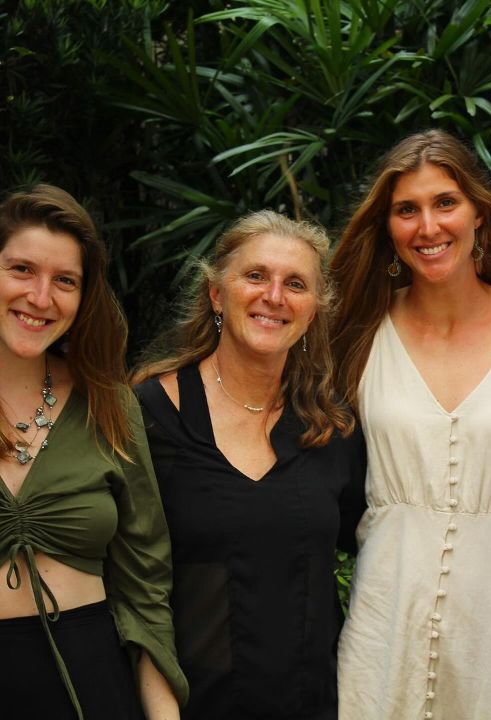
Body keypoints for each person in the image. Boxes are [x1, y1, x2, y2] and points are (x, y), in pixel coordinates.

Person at [331, 129, 491, 720]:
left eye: (445, 202)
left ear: (479, 217)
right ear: (387, 229)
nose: (428, 226)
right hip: (382, 626)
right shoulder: (355, 338)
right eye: (406, 210)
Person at [133, 209, 367, 720]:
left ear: (313, 311)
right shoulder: (148, 415)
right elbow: (129, 589)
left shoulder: (331, 427)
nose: (274, 296)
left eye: (296, 284)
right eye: (256, 276)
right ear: (217, 293)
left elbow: (374, 543)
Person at [0, 184, 187, 720]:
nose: (41, 297)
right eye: (21, 270)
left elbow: (145, 585)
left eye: (65, 281)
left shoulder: (108, 405)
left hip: (90, 684)